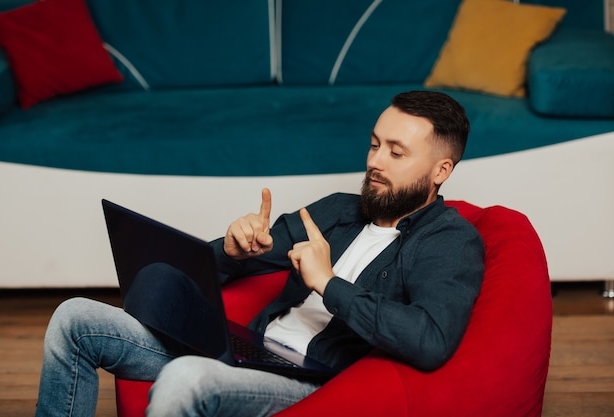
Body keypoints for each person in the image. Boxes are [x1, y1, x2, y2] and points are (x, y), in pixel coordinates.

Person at [35, 90, 485, 417]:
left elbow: (430, 341)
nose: (374, 162)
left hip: (308, 385)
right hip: (248, 352)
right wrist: (233, 250)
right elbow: (216, 266)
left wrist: (329, 285)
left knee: (185, 379)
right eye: (374, 144)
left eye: (396, 152)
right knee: (74, 318)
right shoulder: (335, 211)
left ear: (440, 170)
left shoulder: (449, 241)